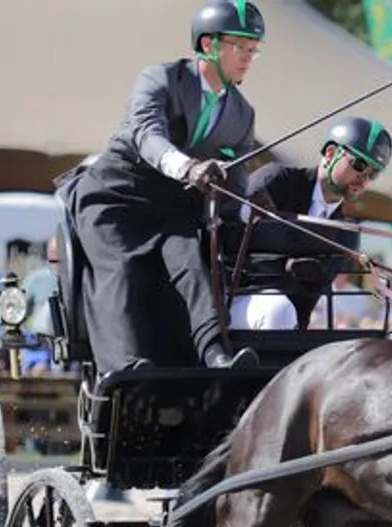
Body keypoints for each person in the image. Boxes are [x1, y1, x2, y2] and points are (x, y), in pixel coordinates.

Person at [55, 0, 267, 373]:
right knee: (120, 271)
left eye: (253, 50)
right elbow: (145, 133)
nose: (248, 57)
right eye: (239, 46)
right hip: (114, 196)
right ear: (208, 45)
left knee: (191, 264)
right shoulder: (161, 79)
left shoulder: (242, 114)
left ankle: (216, 356)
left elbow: (236, 181)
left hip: (170, 208)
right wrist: (188, 168)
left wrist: (247, 212)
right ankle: (125, 366)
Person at [238, 116, 392, 329]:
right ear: (330, 153)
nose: (364, 178)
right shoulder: (277, 180)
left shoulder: (346, 232)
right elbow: (229, 234)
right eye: (359, 164)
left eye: (373, 174)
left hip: (287, 322)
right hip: (234, 297)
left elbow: (308, 302)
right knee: (279, 311)